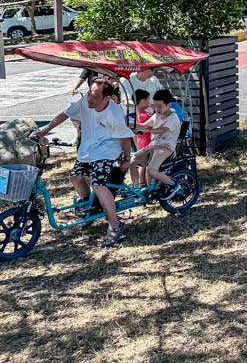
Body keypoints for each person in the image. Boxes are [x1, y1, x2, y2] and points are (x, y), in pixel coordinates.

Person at [30, 78, 132, 247]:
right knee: (76, 177)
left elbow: (125, 138)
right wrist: (43, 131)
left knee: (97, 183)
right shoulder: (86, 102)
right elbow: (65, 114)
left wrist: (127, 159)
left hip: (107, 149)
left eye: (94, 96)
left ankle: (115, 224)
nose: (89, 99)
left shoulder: (115, 114)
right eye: (88, 94)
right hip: (88, 148)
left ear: (107, 98)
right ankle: (89, 207)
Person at [129, 89, 183, 199]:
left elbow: (162, 130)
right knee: (132, 162)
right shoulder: (156, 116)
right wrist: (128, 124)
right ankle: (137, 188)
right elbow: (143, 126)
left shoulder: (173, 117)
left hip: (166, 146)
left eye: (159, 106)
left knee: (151, 170)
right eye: (155, 106)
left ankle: (174, 185)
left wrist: (147, 131)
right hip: (153, 145)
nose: (156, 109)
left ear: (168, 105)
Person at [130, 89, 154, 187]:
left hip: (140, 143)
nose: (149, 102)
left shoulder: (136, 115)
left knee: (142, 165)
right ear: (143, 101)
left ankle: (141, 184)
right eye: (148, 100)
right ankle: (149, 186)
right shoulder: (148, 116)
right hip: (149, 143)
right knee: (150, 166)